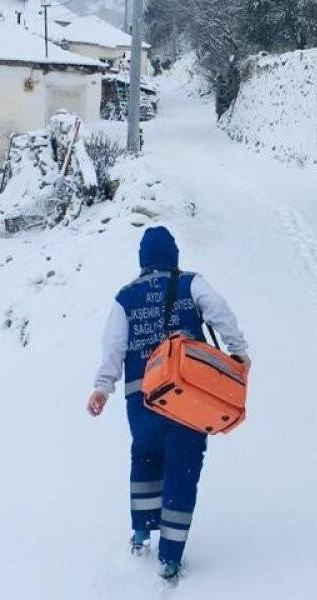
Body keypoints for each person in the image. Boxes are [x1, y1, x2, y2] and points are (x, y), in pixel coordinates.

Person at [87, 225, 249, 582]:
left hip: (142, 400)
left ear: (142, 260)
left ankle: (141, 535)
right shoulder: (191, 283)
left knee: (145, 457)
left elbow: (113, 346)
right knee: (183, 467)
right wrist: (238, 351)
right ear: (174, 256)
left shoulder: (126, 296)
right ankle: (170, 557)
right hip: (189, 397)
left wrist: (102, 387)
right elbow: (220, 313)